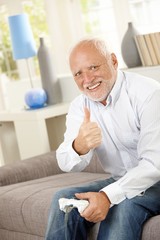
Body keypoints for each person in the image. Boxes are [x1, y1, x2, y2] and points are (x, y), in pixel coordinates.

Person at [45, 38, 160, 240]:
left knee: (123, 205)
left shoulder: (149, 94)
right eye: (78, 73)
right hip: (121, 179)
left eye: (93, 67)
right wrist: (78, 146)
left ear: (114, 61)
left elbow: (154, 165)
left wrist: (108, 196)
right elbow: (65, 162)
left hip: (157, 180)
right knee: (62, 201)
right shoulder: (80, 106)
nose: (87, 79)